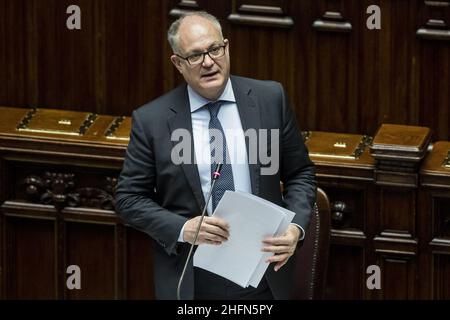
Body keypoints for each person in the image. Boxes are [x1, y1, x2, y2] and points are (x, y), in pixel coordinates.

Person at [115, 11, 316, 300]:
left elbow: (300, 173)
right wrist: (183, 228)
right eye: (195, 56)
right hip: (193, 278)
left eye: (214, 49)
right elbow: (128, 199)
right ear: (178, 64)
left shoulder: (269, 99)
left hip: (264, 275)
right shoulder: (153, 121)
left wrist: (295, 227)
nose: (209, 62)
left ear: (226, 47)